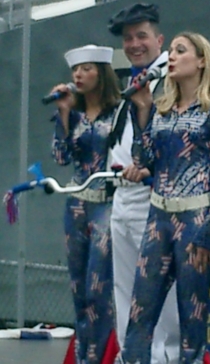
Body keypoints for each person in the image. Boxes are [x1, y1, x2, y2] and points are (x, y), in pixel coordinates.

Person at [115, 31, 210, 364]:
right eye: (170, 50)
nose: (171, 56)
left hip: (196, 218)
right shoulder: (162, 108)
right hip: (158, 215)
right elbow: (144, 157)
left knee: (192, 317)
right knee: (140, 312)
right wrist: (142, 107)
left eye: (180, 50)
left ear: (202, 60)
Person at [107, 3, 180, 364]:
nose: (135, 44)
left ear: (159, 39)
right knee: (125, 292)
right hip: (123, 199)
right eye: (128, 38)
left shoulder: (171, 79)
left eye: (142, 36)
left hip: (155, 199)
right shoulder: (134, 83)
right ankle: (131, 357)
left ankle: (164, 358)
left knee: (161, 295)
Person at [51, 44, 120, 364]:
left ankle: (98, 356)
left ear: (102, 74)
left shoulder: (119, 112)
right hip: (76, 204)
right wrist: (64, 113)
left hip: (106, 204)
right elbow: (61, 156)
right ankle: (81, 356)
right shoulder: (72, 113)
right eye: (75, 70)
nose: (78, 75)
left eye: (87, 69)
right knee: (79, 290)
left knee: (98, 289)